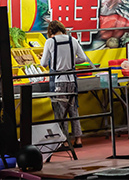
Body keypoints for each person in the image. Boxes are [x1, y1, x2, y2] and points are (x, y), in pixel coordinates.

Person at [39, 20, 92, 148]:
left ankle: (64, 140)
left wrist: (55, 60)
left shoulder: (50, 42)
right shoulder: (72, 40)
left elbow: (43, 63)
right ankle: (78, 139)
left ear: (50, 31)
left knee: (60, 111)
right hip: (72, 80)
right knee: (73, 110)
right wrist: (71, 60)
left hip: (58, 80)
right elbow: (83, 58)